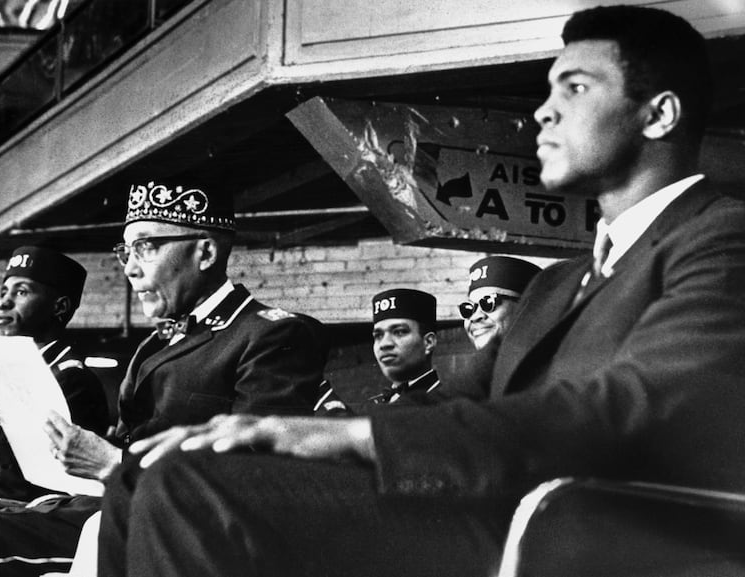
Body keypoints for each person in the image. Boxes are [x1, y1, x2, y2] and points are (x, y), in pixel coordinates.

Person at [98, 5, 745, 577]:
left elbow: (634, 407)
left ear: (659, 114)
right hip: (495, 511)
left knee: (188, 489)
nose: (543, 109)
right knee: (139, 476)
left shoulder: (720, 238)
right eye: (548, 89)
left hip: (586, 535)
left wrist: (351, 440)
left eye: (575, 87)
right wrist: (283, 429)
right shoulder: (557, 285)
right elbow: (451, 405)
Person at [0, 177, 327, 576]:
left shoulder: (271, 333)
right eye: (125, 250)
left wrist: (112, 463)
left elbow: (256, 476)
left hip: (178, 530)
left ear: (206, 251)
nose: (128, 267)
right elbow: (123, 444)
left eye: (145, 246)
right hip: (113, 508)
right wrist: (13, 407)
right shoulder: (152, 348)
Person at [0, 246, 109, 511]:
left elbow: (26, 485)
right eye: (3, 292)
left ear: (60, 307)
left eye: (21, 292)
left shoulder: (71, 381)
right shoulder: (17, 377)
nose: (3, 302)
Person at [315, 288, 440, 415]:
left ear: (428, 342)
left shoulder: (447, 408)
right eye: (378, 335)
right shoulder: (376, 405)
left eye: (399, 332)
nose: (384, 344)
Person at [454, 255, 542, 399]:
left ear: (525, 310)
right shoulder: (475, 380)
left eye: (488, 303)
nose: (475, 317)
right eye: (468, 309)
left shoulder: (548, 378)